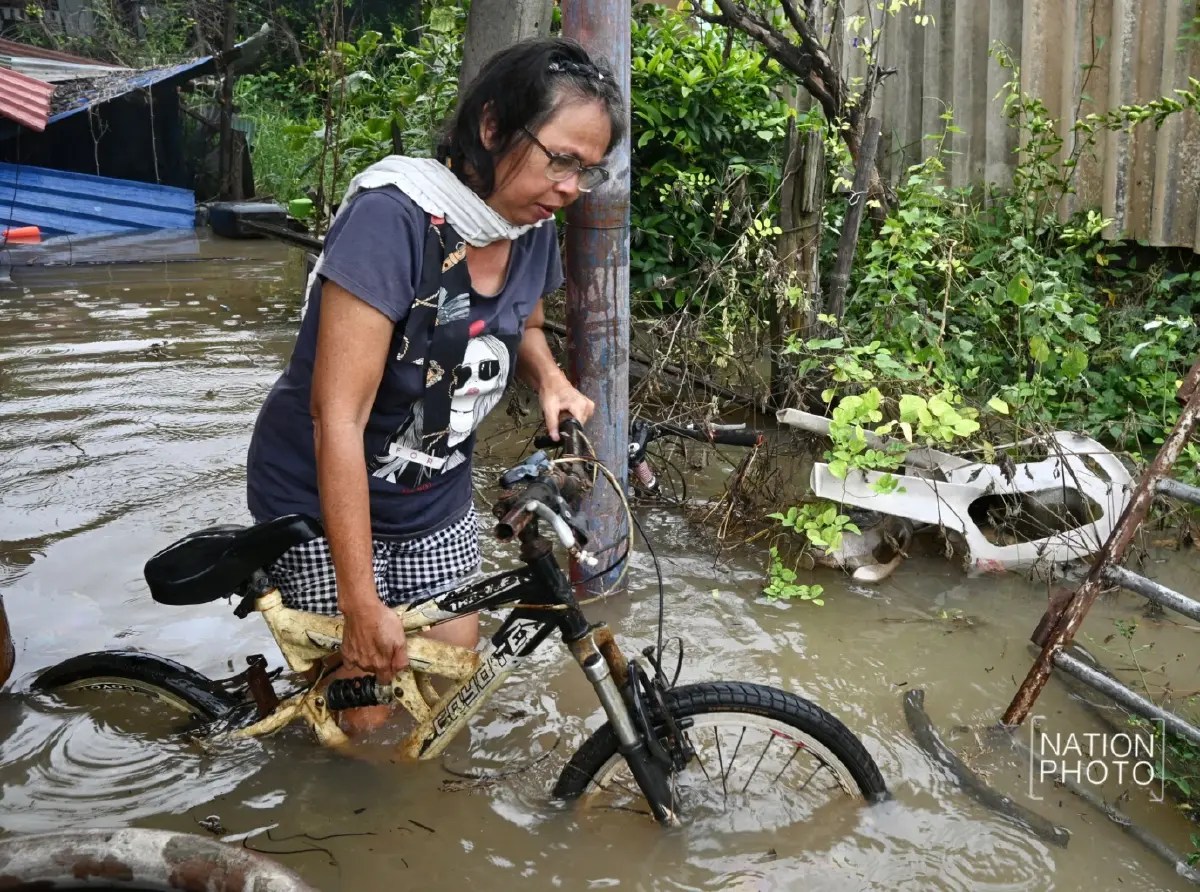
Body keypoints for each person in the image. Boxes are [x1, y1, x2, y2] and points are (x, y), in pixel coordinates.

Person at [245, 37, 625, 732]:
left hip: (432, 494)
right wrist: (359, 601)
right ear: (491, 128)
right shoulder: (392, 222)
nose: (571, 187)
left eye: (588, 171)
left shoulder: (529, 220)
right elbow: (338, 420)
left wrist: (551, 381)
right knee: (365, 715)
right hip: (320, 493)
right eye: (561, 158)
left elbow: (527, 326)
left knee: (450, 680)